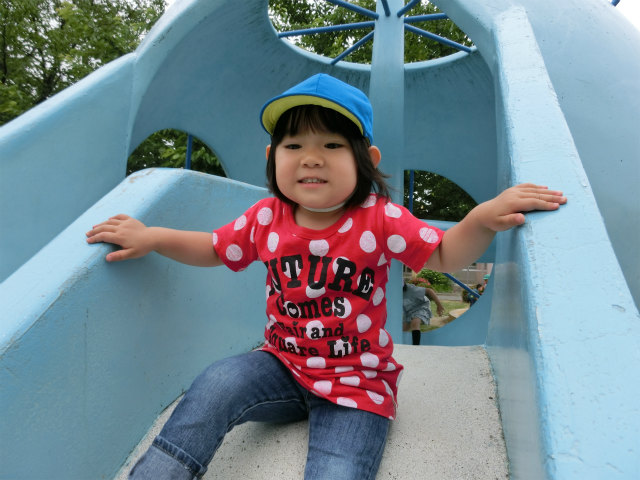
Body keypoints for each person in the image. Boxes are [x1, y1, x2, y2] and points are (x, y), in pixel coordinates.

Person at [85, 73, 566, 480]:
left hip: (357, 384)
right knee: (217, 382)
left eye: (332, 145)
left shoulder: (380, 218)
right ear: (272, 156)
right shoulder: (266, 217)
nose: (311, 157)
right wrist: (153, 237)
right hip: (281, 366)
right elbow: (214, 248)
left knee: (338, 468)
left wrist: (480, 219)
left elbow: (440, 254)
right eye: (294, 145)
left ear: (367, 160)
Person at [403, 278, 445, 345]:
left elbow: (429, 291)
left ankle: (416, 346)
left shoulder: (411, 289)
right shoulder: (394, 293)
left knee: (415, 322)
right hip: (408, 310)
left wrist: (439, 305)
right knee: (403, 329)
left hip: (421, 306)